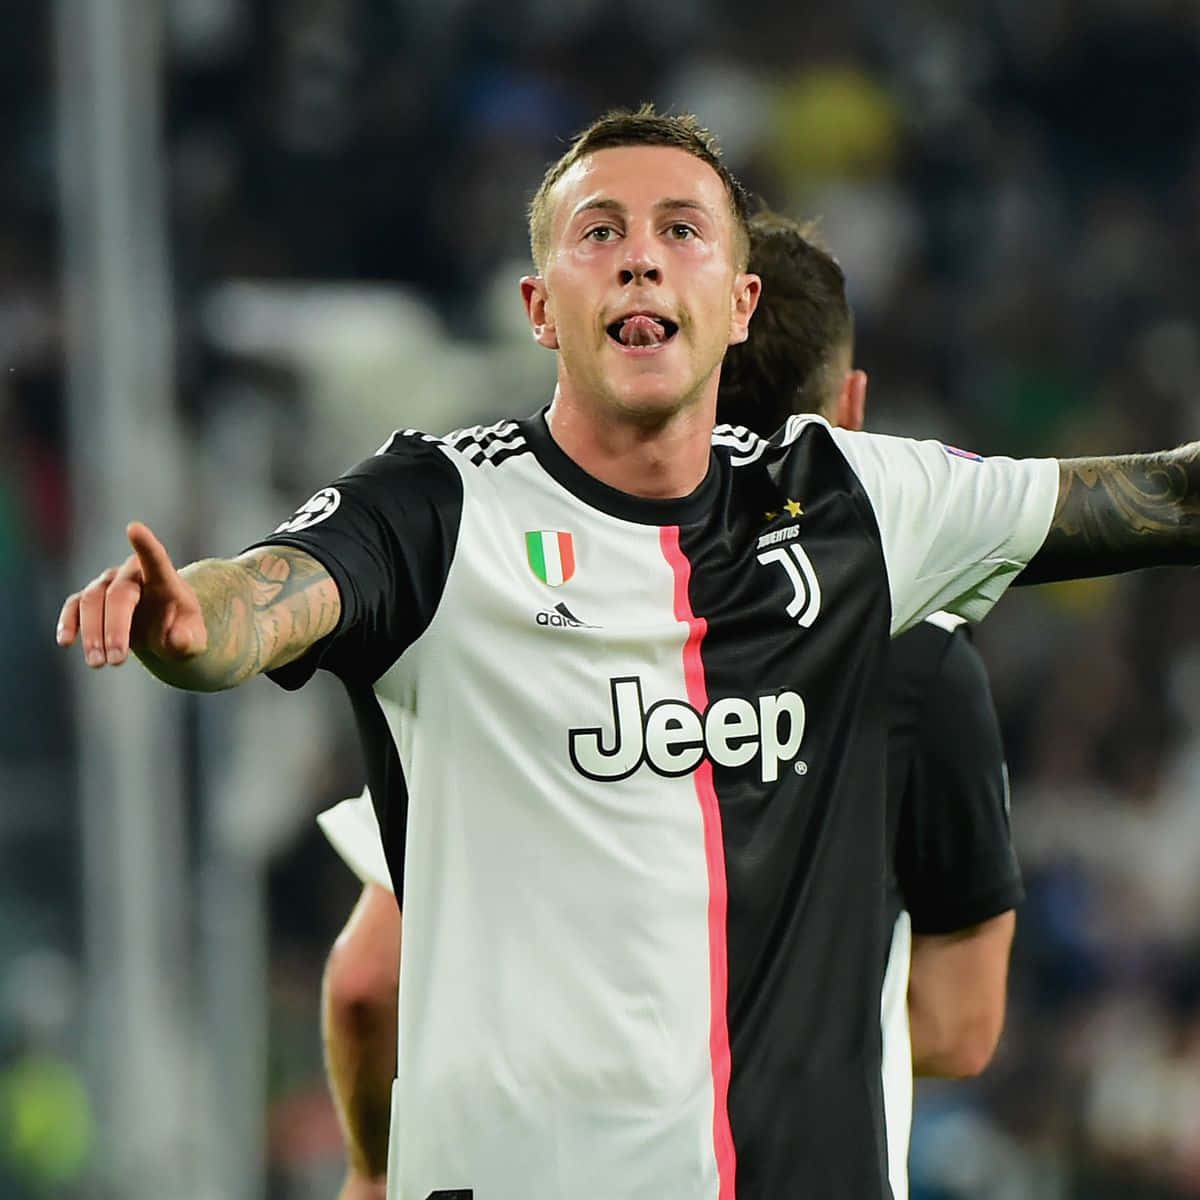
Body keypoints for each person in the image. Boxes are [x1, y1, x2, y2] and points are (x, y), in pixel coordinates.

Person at [56, 106, 1200, 1199]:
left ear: (741, 302)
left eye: (681, 231)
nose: (641, 258)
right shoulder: (436, 508)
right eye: (599, 233)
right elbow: (266, 598)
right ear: (539, 306)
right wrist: (194, 624)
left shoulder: (851, 503)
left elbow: (1159, 497)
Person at [317, 212, 1021, 1200]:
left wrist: (371, 1171)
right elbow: (959, 1023)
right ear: (853, 413)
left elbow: (368, 982)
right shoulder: (919, 655)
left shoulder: (508, 615)